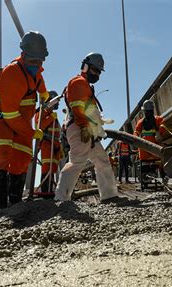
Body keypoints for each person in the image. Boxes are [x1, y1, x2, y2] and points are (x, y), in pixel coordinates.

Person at [0, 31, 49, 209]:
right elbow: (11, 117)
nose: (37, 64)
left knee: (23, 155)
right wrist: (32, 132)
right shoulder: (12, 74)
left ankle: (16, 201)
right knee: (2, 153)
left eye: (40, 60)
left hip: (19, 118)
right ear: (24, 55)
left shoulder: (35, 71)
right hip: (0, 118)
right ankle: (1, 205)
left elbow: (39, 82)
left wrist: (44, 95)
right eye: (34, 60)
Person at [54, 52, 118, 202]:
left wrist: (96, 127)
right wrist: (83, 127)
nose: (97, 75)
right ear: (85, 67)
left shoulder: (85, 85)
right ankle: (61, 198)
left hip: (87, 130)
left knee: (102, 161)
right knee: (77, 162)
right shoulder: (78, 82)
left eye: (99, 72)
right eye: (95, 70)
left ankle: (109, 196)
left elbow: (88, 110)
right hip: (79, 128)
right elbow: (77, 107)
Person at [34, 90, 62, 197]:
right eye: (56, 101)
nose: (57, 104)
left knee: (53, 168)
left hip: (54, 145)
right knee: (47, 168)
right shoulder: (41, 112)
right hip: (46, 144)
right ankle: (45, 190)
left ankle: (50, 189)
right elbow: (40, 126)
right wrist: (51, 117)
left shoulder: (51, 114)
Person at [134, 100, 166, 178]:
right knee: (158, 160)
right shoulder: (158, 119)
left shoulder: (141, 122)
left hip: (145, 147)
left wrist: (136, 140)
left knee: (150, 161)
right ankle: (161, 174)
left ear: (144, 110)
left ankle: (160, 174)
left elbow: (136, 133)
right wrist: (159, 133)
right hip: (153, 146)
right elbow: (136, 133)